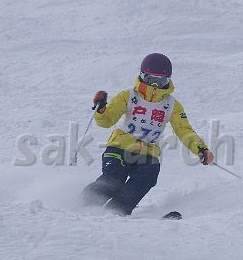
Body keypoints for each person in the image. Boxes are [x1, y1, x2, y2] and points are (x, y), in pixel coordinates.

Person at [82, 53, 214, 215]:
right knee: (114, 179)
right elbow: (107, 121)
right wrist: (101, 110)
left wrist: (201, 149)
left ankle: (116, 210)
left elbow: (184, 130)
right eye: (151, 80)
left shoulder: (171, 105)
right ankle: (83, 204)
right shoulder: (129, 96)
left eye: (161, 81)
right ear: (142, 76)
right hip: (119, 147)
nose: (155, 86)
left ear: (168, 81)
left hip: (148, 152)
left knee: (148, 176)